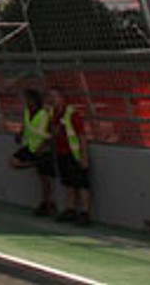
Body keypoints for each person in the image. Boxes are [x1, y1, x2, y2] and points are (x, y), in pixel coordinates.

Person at [45, 86, 91, 226]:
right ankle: (71, 209)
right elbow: (53, 133)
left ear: (62, 98)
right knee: (68, 182)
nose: (52, 100)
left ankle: (85, 212)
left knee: (81, 182)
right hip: (61, 152)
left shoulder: (71, 114)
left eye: (55, 96)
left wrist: (84, 156)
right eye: (50, 97)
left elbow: (81, 136)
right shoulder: (53, 114)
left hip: (74, 153)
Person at [9, 88, 55, 216]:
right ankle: (34, 163)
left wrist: (47, 144)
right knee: (14, 162)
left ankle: (46, 203)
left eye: (25, 99)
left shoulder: (44, 113)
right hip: (30, 146)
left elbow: (50, 129)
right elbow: (26, 125)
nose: (22, 101)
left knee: (44, 178)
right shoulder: (27, 112)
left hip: (42, 147)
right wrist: (20, 134)